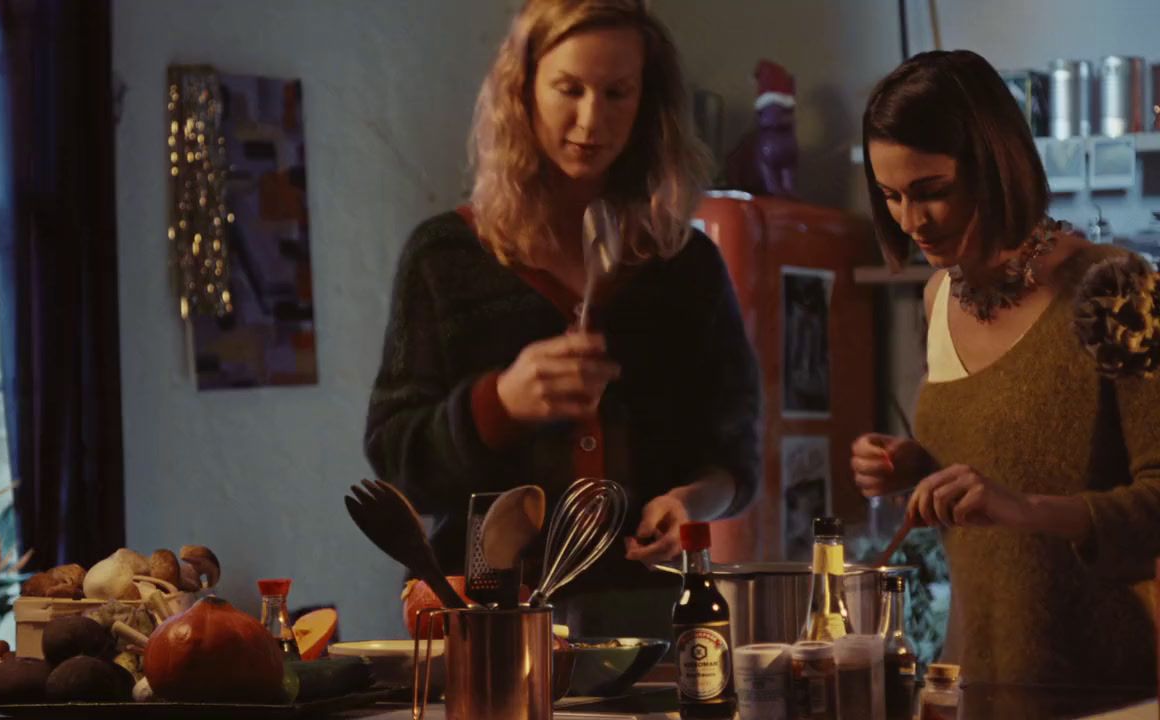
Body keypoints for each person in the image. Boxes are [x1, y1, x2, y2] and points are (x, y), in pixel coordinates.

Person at [364, 0, 762, 638]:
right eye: (568, 89)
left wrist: (689, 504)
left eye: (617, 93)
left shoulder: (684, 267)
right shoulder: (445, 257)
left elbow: (735, 456)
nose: (591, 119)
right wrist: (500, 404)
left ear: (647, 102)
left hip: (651, 626)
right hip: (486, 624)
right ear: (522, 92)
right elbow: (396, 461)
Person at [850, 49, 1160, 689]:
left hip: (1102, 688)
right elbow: (991, 465)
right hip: (973, 677)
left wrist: (1025, 508)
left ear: (996, 166)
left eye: (932, 191)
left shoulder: (1116, 287)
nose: (911, 222)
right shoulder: (936, 298)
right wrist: (914, 466)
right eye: (892, 196)